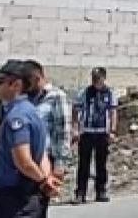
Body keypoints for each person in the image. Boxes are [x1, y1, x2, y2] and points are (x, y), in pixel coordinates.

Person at [0, 61, 60, 218]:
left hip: (15, 198)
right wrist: (45, 178)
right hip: (26, 195)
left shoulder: (17, 117)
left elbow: (24, 161)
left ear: (16, 85)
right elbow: (41, 154)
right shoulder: (31, 111)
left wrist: (43, 181)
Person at [22, 60, 71, 202]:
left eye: (28, 81)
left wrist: (60, 165)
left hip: (46, 160)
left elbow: (63, 132)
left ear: (37, 77)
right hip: (25, 158)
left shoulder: (56, 96)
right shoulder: (26, 98)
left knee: (37, 204)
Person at [73, 67, 118, 203]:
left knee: (101, 164)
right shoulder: (85, 92)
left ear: (104, 78)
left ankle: (101, 191)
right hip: (87, 132)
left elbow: (113, 112)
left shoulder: (110, 93)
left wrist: (112, 131)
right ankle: (80, 193)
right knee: (83, 164)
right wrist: (75, 128)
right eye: (94, 78)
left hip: (102, 133)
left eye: (98, 78)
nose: (95, 81)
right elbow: (75, 109)